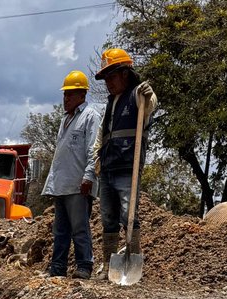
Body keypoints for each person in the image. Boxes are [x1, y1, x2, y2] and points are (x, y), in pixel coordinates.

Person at [93, 48, 157, 270]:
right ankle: (108, 264)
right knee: (108, 218)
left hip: (128, 164)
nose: (108, 82)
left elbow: (150, 106)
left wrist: (149, 96)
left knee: (129, 215)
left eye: (111, 76)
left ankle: (132, 260)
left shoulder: (138, 94)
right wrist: (97, 159)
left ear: (125, 74)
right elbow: (103, 134)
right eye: (106, 78)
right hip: (108, 166)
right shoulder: (111, 103)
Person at [42, 70, 100, 280]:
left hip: (78, 184)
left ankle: (84, 265)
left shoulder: (90, 117)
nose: (65, 98)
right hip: (62, 184)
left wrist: (89, 176)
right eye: (64, 94)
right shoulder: (65, 119)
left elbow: (94, 149)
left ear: (82, 95)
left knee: (79, 228)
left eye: (70, 94)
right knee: (60, 231)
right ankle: (58, 268)